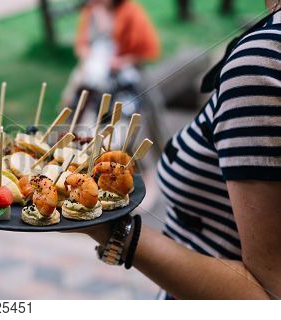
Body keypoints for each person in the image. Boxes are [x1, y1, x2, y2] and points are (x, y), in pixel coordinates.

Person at [70, 0, 281, 299]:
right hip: (96, 80)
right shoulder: (91, 14)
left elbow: (271, 298)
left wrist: (112, 231)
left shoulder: (264, 61)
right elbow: (82, 46)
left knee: (130, 118)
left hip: (126, 81)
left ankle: (143, 174)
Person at [62, 0, 160, 113]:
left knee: (131, 100)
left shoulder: (130, 11)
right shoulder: (91, 11)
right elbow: (82, 45)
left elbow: (145, 50)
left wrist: (120, 62)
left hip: (125, 68)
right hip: (94, 67)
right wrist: (93, 57)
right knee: (77, 92)